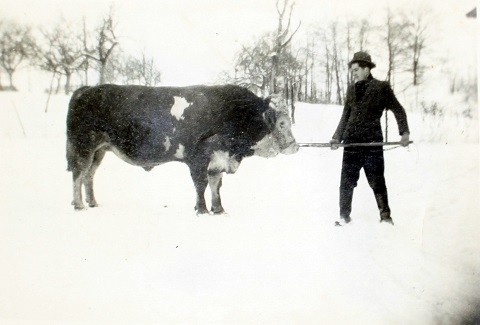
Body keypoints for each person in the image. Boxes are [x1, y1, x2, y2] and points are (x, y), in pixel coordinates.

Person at [330, 51, 410, 226]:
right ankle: (344, 216)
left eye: (356, 69)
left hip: (372, 144)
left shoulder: (381, 88)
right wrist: (337, 137)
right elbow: (346, 115)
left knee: (377, 181)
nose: (354, 73)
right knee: (346, 182)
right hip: (351, 144)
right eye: (352, 71)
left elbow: (398, 110)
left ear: (367, 69)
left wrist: (404, 133)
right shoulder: (351, 89)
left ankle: (386, 217)